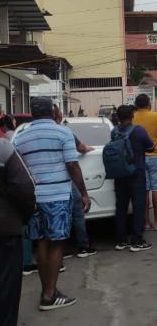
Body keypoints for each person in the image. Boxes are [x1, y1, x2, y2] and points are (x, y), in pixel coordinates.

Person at [13, 97, 90, 311]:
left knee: (42, 242)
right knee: (56, 243)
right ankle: (49, 295)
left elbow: (18, 169)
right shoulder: (63, 133)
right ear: (52, 111)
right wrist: (83, 193)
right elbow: (72, 165)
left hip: (33, 198)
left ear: (32, 113)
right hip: (57, 196)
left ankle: (46, 291)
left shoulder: (20, 137)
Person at [52, 105, 96, 258]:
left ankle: (58, 251)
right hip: (65, 180)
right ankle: (83, 246)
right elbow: (80, 149)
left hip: (41, 183)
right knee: (77, 210)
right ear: (59, 116)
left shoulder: (29, 133)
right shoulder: (65, 132)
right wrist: (91, 149)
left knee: (54, 217)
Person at [0, 138, 36, 326]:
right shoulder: (3, 148)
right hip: (5, 230)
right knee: (6, 289)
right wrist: (23, 217)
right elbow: (25, 188)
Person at [113, 105, 155, 252]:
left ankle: (121, 241)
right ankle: (137, 240)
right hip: (137, 174)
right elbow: (151, 147)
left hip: (119, 175)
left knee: (121, 207)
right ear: (132, 116)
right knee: (138, 207)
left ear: (118, 117)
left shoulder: (114, 131)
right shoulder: (139, 130)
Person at [133, 94, 157, 231]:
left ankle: (146, 223)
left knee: (144, 190)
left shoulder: (132, 117)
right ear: (148, 103)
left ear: (136, 105)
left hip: (139, 158)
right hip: (156, 156)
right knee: (156, 189)